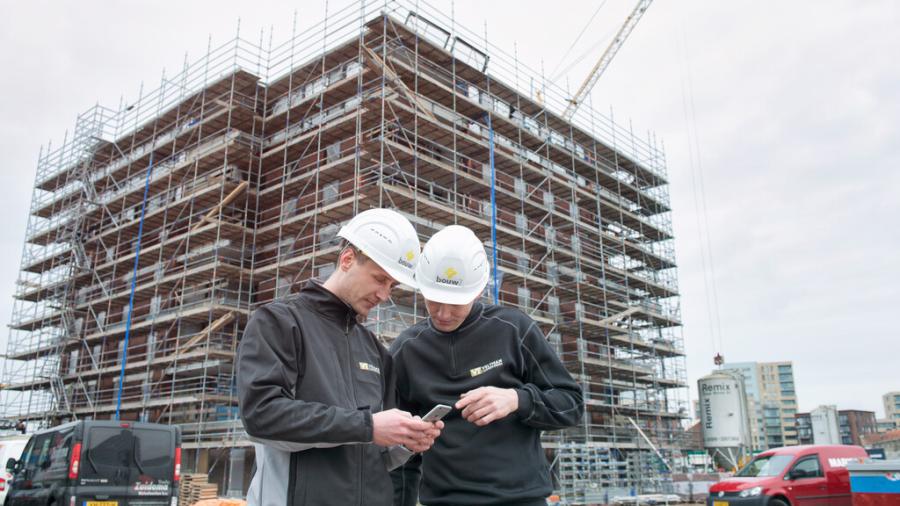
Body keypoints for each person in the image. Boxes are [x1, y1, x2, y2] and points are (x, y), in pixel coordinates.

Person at [238, 208, 442, 506]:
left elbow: (371, 454)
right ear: (347, 260)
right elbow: (262, 416)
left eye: (391, 286)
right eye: (379, 279)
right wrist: (369, 426)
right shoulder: (279, 322)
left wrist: (405, 444)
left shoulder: (375, 350)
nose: (384, 295)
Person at [391, 225, 584, 506]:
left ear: (479, 290)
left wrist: (518, 399)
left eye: (455, 303)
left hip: (521, 500)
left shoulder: (513, 330)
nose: (443, 314)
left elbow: (572, 404)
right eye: (434, 300)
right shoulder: (406, 350)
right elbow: (400, 451)